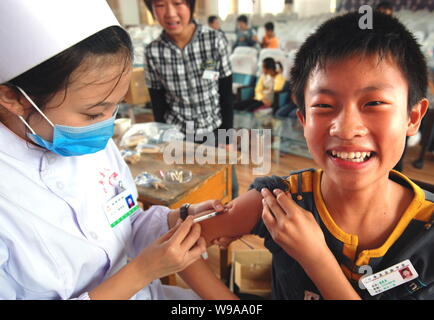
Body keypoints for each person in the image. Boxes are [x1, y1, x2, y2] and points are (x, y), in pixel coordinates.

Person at [0, 0, 237, 300]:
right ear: (13, 98)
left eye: (116, 107)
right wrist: (142, 271)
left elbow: (127, 219)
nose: (107, 126)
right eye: (93, 114)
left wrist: (178, 218)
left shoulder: (89, 143)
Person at [202, 12, 434, 300]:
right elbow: (181, 238)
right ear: (303, 120)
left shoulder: (427, 232)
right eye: (324, 105)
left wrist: (316, 258)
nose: (347, 128)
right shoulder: (282, 203)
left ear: (413, 117)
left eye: (374, 102)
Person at [143, 0, 238, 199]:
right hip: (179, 136)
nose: (170, 13)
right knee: (186, 193)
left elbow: (226, 93)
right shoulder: (153, 52)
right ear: (152, 10)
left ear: (191, 6)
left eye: (178, 3)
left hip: (214, 131)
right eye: (160, 5)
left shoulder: (214, 40)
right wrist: (162, 138)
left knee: (228, 190)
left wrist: (227, 137)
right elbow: (158, 102)